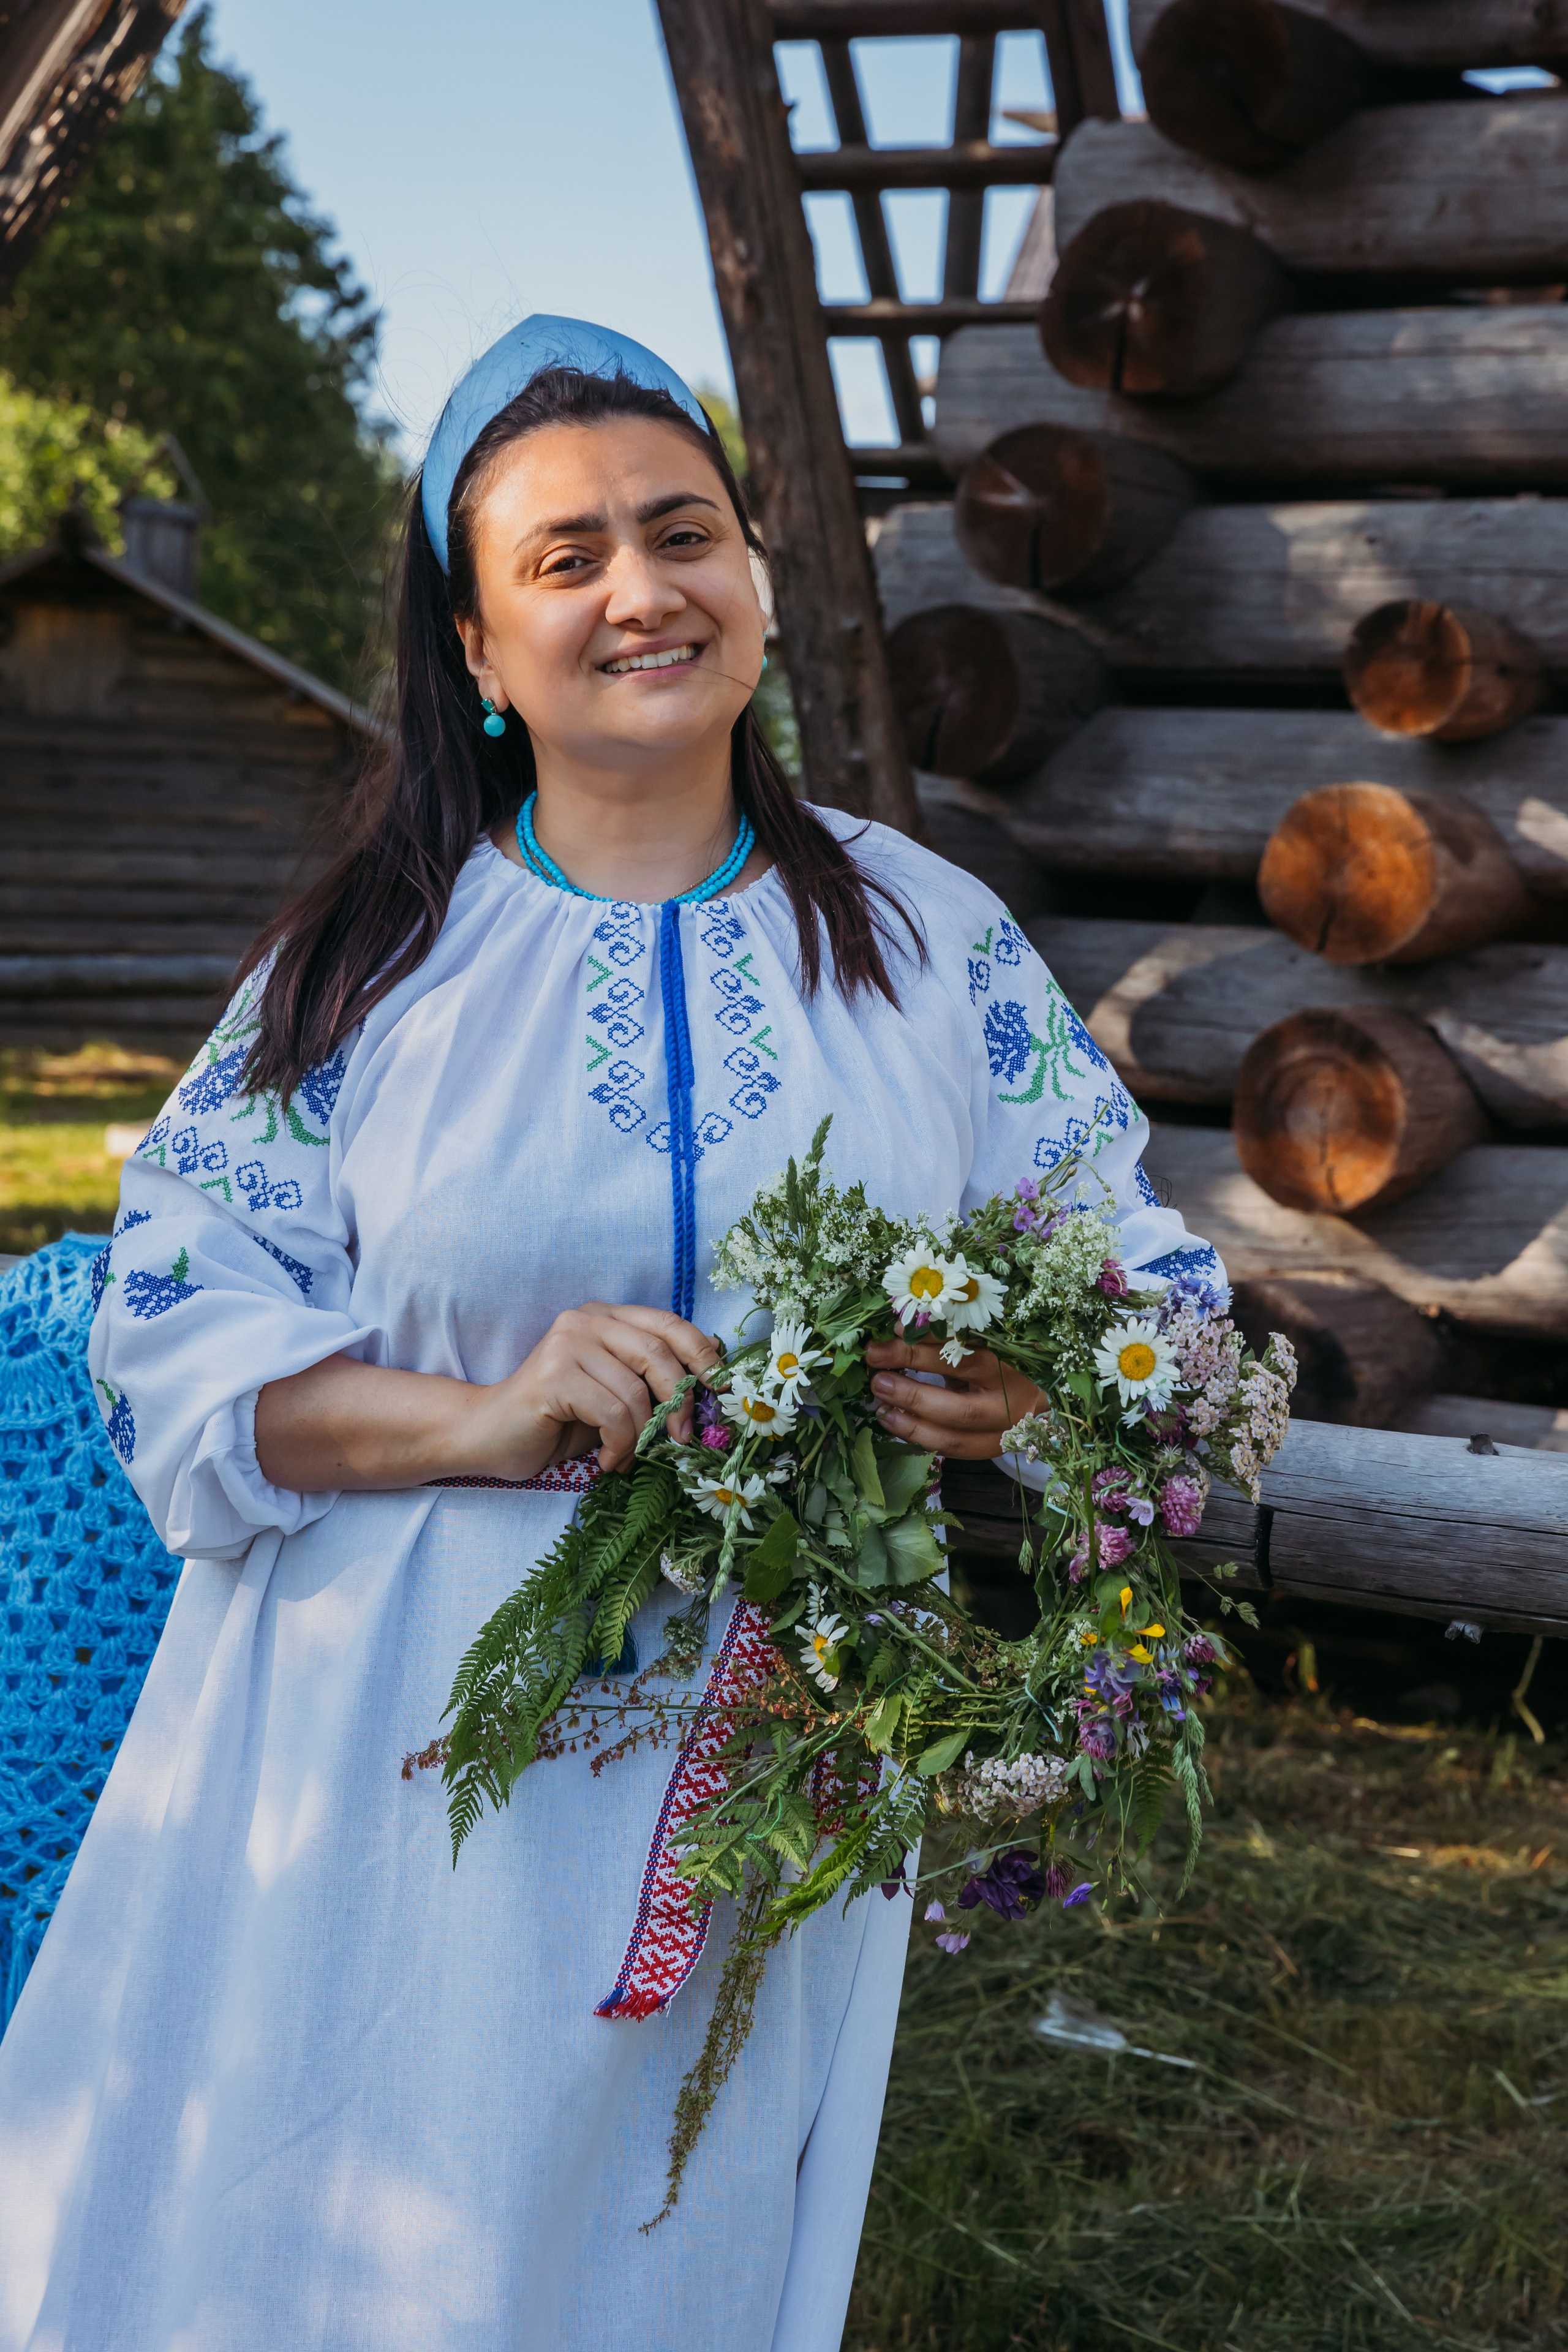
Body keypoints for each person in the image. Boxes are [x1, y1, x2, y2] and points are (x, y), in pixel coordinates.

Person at [0, 317, 1222, 2351]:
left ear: (754, 583)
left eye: (684, 534)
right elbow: (172, 1320)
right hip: (386, 1733)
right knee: (341, 2234)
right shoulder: (364, 966)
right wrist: (481, 1417)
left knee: (673, 2247)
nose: (641, 590)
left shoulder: (930, 944)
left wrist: (1020, 1380)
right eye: (564, 560)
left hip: (779, 1749)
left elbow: (1149, 1285)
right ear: (478, 653)